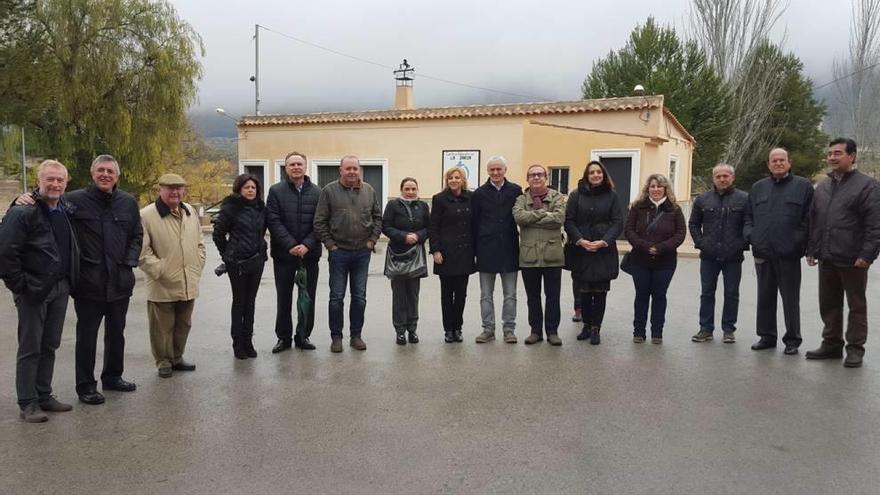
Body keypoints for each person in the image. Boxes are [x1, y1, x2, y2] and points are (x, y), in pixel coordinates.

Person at [13, 154, 143, 405]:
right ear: (92, 173)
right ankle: (86, 385)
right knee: (87, 336)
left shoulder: (127, 202)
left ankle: (113, 377)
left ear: (117, 176)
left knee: (117, 333)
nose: (105, 175)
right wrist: (20, 199)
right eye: (101, 170)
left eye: (110, 171)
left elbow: (136, 235)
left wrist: (129, 262)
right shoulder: (72, 200)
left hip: (119, 280)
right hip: (88, 281)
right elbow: (44, 202)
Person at [0, 160, 78, 422]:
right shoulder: (23, 212)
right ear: (39, 180)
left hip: (60, 287)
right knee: (30, 347)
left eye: (60, 180)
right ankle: (28, 402)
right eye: (50, 179)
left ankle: (44, 394)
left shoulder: (65, 209)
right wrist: (21, 287)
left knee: (50, 344)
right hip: (34, 290)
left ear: (66, 183)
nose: (55, 184)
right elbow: (6, 254)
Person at [805, 138, 880, 368]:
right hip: (827, 255)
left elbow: (875, 225)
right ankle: (831, 344)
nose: (832, 158)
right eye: (829, 154)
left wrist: (867, 255)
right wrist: (812, 249)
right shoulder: (823, 186)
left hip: (853, 258)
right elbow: (815, 221)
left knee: (856, 305)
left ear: (852, 156)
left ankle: (855, 349)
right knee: (828, 303)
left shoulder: (867, 186)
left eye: (837, 153)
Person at [744, 148, 813, 355]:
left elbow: (809, 219)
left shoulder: (803, 186)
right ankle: (766, 336)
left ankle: (792, 339)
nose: (778, 163)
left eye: (782, 160)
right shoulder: (758, 188)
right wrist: (752, 236)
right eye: (774, 160)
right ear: (768, 164)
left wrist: (798, 242)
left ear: (789, 163)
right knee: (764, 297)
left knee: (790, 299)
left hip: (788, 253)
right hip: (763, 252)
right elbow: (748, 217)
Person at [139, 173, 206, 378]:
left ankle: (177, 357)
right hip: (162, 282)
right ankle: (163, 361)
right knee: (161, 327)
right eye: (170, 188)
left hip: (188, 279)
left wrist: (197, 265)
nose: (175, 192)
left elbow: (200, 242)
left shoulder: (189, 212)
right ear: (160, 190)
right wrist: (160, 270)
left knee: (183, 323)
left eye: (179, 188)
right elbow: (142, 252)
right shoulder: (147, 215)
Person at [313, 155, 382, 353]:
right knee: (336, 297)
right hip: (339, 253)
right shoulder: (329, 191)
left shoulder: (369, 191)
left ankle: (356, 335)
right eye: (348, 168)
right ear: (340, 170)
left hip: (362, 252)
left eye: (355, 168)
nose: (352, 171)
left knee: (359, 297)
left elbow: (378, 218)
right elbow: (320, 221)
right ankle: (336, 337)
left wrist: (372, 241)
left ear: (359, 170)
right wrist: (330, 245)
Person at [266, 151, 322, 353]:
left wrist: (307, 245)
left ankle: (303, 336)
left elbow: (320, 222)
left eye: (299, 164)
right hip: (284, 256)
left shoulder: (318, 192)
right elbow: (273, 220)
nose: (296, 167)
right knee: (284, 298)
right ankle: (283, 338)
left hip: (310, 255)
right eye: (292, 164)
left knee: (307, 298)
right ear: (286, 168)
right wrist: (290, 245)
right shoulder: (275, 191)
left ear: (305, 167)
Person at [564, 160, 624, 345]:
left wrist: (604, 241)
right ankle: (586, 325)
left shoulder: (612, 196)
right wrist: (580, 240)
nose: (596, 175)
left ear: (603, 174)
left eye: (599, 172)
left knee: (599, 292)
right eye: (592, 173)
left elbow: (617, 222)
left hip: (603, 251)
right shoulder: (576, 195)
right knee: (583, 291)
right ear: (586, 175)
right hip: (581, 249)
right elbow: (569, 221)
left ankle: (596, 328)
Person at [688, 163, 749, 344]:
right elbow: (693, 224)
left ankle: (729, 329)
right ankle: (705, 329)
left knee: (731, 293)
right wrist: (701, 243)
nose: (722, 179)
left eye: (726, 176)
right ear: (713, 178)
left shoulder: (744, 199)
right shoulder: (702, 200)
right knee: (707, 292)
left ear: (732, 177)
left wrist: (741, 244)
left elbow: (749, 223)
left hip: (733, 256)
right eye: (718, 176)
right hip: (709, 255)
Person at [624, 174, 686, 344]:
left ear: (666, 188)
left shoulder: (674, 209)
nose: (656, 189)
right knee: (641, 295)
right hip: (640, 259)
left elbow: (680, 234)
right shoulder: (637, 207)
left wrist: (661, 247)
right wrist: (645, 246)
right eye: (652, 186)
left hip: (665, 261)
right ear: (647, 188)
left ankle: (657, 332)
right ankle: (639, 331)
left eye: (659, 186)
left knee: (659, 296)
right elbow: (629, 231)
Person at [212, 173, 268, 359]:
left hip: (257, 260)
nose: (250, 190)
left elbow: (262, 232)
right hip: (237, 263)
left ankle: (248, 340)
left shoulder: (261, 208)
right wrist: (227, 255)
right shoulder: (231, 208)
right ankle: (238, 343)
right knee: (239, 302)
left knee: (250, 303)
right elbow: (218, 234)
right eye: (247, 187)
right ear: (239, 189)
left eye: (253, 187)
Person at [513, 164, 567, 345]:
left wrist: (533, 217)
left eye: (539, 174)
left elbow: (559, 219)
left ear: (546, 178)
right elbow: (520, 218)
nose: (536, 178)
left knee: (553, 297)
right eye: (532, 175)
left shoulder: (557, 197)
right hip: (529, 256)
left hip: (553, 255)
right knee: (533, 297)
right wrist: (543, 214)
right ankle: (535, 331)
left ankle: (552, 332)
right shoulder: (521, 199)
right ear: (527, 179)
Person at [471, 156, 523, 344]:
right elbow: (474, 223)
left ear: (505, 170)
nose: (495, 173)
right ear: (487, 171)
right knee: (486, 295)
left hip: (509, 249)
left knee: (510, 294)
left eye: (498, 169)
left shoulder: (516, 191)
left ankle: (509, 329)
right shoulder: (479, 194)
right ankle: (488, 329)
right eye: (492, 169)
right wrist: (475, 249)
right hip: (486, 249)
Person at [429, 167, 476, 343]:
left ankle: (458, 327)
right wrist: (435, 250)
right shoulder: (439, 199)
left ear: (463, 180)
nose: (454, 180)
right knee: (447, 294)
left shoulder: (471, 198)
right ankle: (448, 329)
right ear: (446, 181)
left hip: (465, 252)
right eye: (450, 178)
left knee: (461, 294)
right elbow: (433, 226)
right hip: (446, 253)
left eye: (457, 177)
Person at [382, 177, 430, 345]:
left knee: (413, 295)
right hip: (397, 255)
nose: (410, 192)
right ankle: (400, 331)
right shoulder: (393, 205)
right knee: (399, 295)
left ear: (417, 190)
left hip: (416, 255)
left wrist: (418, 236)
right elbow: (386, 226)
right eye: (407, 189)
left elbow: (429, 227)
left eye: (413, 189)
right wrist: (403, 236)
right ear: (401, 190)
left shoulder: (423, 206)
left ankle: (412, 329)